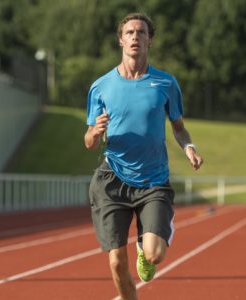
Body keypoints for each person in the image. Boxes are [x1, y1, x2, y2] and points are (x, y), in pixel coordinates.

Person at [84, 12, 203, 300]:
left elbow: (179, 129)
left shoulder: (165, 83)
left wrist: (189, 147)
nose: (135, 37)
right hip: (112, 179)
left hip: (153, 181)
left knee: (155, 254)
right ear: (120, 40)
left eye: (141, 32)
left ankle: (145, 243)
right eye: (129, 33)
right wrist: (96, 133)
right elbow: (88, 141)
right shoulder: (101, 87)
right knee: (115, 262)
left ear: (149, 40)